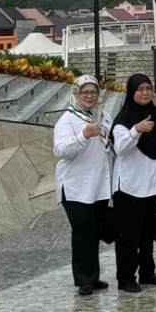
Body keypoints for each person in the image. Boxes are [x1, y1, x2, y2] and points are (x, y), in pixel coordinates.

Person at [112, 73, 156, 292]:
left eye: (148, 88)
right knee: (128, 236)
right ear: (131, 92)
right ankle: (126, 277)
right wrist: (136, 131)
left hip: (153, 186)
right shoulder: (123, 119)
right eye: (140, 89)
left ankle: (147, 273)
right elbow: (120, 148)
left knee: (148, 233)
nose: (145, 93)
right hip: (129, 187)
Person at [53, 76, 113, 296]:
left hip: (97, 185)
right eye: (84, 92)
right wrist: (83, 136)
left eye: (93, 92)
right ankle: (83, 280)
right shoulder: (67, 119)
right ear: (76, 94)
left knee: (95, 230)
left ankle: (93, 275)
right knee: (83, 230)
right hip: (75, 186)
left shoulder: (103, 116)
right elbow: (60, 151)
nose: (89, 96)